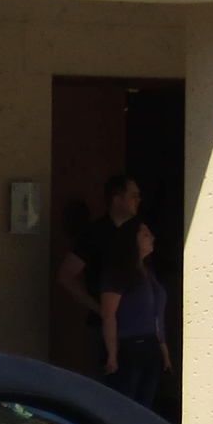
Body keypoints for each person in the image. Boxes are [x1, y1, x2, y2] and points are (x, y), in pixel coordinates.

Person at [98, 219, 171, 409]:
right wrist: (112, 355)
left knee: (145, 407)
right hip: (129, 347)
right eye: (145, 234)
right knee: (126, 406)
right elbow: (109, 314)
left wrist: (163, 349)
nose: (151, 238)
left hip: (150, 346)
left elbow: (157, 312)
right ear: (132, 239)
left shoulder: (148, 271)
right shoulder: (118, 272)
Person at [58, 174, 139, 329]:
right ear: (117, 200)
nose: (139, 200)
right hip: (105, 326)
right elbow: (65, 276)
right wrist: (99, 309)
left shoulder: (132, 233)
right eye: (133, 196)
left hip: (132, 324)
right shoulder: (95, 235)